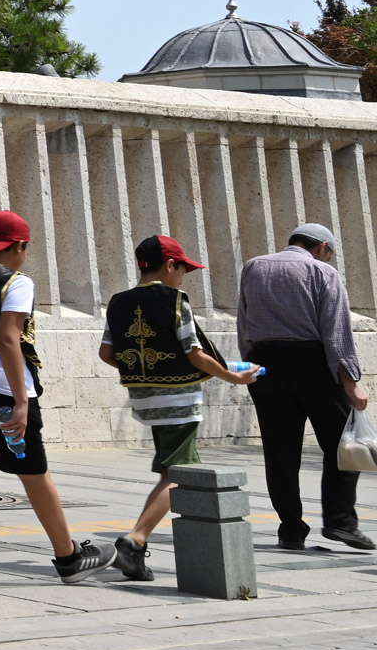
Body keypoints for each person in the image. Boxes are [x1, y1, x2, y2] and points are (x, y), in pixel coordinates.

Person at [0, 209, 109, 584]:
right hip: (3, 389)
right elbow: (8, 339)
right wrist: (21, 400)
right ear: (19, 246)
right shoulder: (17, 282)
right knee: (33, 472)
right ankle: (68, 556)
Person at [99, 234, 260, 581]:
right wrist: (234, 377)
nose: (184, 277)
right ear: (170, 265)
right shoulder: (175, 300)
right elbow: (194, 353)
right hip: (179, 398)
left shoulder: (117, 302)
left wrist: (145, 372)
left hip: (144, 397)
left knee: (171, 471)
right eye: (183, 269)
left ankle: (135, 546)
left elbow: (107, 354)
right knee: (179, 475)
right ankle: (134, 541)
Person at [237, 225, 369, 551]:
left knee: (280, 451)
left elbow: (244, 320)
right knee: (345, 445)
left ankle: (291, 528)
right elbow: (336, 332)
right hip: (312, 362)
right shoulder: (323, 272)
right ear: (323, 247)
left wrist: (248, 366)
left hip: (264, 362)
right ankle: (340, 522)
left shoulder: (254, 266)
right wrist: (351, 382)